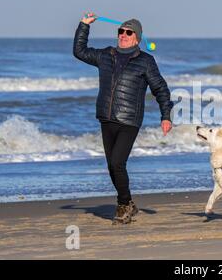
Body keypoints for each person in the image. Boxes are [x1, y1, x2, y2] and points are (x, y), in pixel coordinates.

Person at [73, 12, 173, 225]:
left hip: (129, 120)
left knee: (118, 162)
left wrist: (166, 115)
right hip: (106, 118)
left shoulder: (145, 61)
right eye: (121, 31)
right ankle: (129, 203)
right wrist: (84, 25)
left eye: (128, 32)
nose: (123, 35)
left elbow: (160, 88)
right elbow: (79, 51)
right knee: (112, 166)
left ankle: (123, 204)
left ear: (137, 38)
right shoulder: (106, 55)